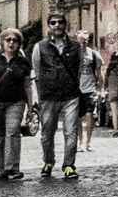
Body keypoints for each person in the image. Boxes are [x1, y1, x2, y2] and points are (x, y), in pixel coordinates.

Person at [30, 12, 83, 179]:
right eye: (53, 22)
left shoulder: (76, 47)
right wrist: (41, 93)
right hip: (49, 96)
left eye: (60, 22)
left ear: (65, 24)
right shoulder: (40, 47)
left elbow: (79, 69)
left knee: (71, 133)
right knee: (47, 134)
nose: (57, 25)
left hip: (70, 96)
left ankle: (69, 166)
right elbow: (37, 72)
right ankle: (48, 161)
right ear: (49, 26)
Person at [0, 27, 35, 182]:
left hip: (16, 101)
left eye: (15, 40)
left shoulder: (23, 61)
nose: (11, 42)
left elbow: (27, 85)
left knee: (13, 132)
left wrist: (30, 107)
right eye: (8, 39)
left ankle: (13, 168)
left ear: (19, 43)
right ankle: (3, 169)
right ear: (2, 42)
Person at [75, 31, 105, 153]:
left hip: (90, 89)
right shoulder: (73, 55)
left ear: (89, 41)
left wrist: (101, 89)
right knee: (77, 118)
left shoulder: (94, 54)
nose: (82, 44)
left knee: (89, 114)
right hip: (76, 90)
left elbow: (100, 73)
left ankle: (88, 142)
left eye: (85, 41)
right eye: (80, 41)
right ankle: (80, 142)